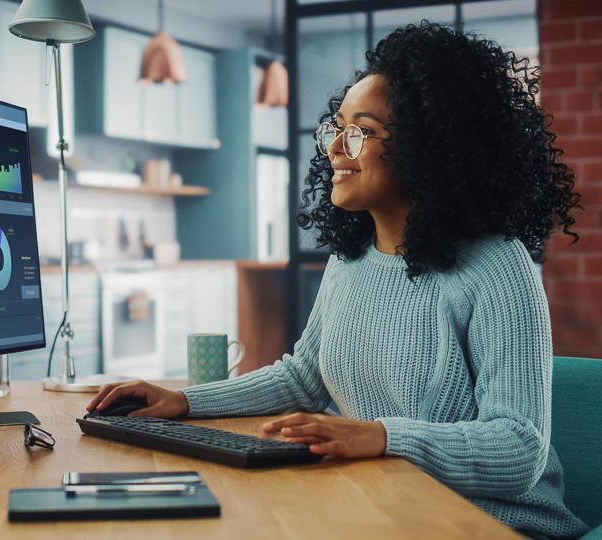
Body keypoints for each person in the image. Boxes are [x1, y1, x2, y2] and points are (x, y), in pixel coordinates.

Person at [87, 23, 589, 540]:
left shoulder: (496, 268)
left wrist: (379, 436)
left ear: (428, 146)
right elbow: (304, 378)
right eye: (335, 128)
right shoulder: (350, 260)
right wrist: (186, 401)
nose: (334, 149)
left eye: (360, 131)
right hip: (387, 506)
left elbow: (519, 449)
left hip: (494, 526)